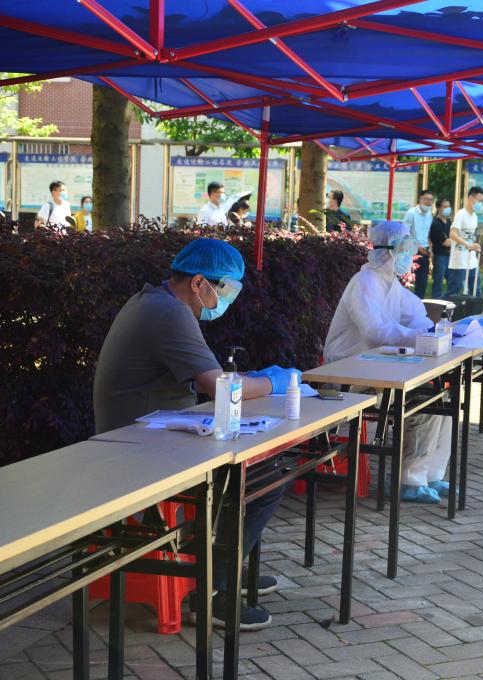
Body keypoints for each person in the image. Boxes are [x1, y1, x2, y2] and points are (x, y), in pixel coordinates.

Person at [93, 238, 300, 630]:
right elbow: (218, 387)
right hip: (138, 446)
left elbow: (213, 379)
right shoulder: (169, 312)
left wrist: (256, 381)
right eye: (226, 290)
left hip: (149, 433)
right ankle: (213, 590)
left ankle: (223, 570)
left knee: (255, 471)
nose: (226, 300)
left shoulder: (153, 301)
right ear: (199, 282)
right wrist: (274, 383)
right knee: (262, 480)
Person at [323, 221, 452, 504]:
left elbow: (416, 314)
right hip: (348, 374)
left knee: (443, 400)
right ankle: (409, 481)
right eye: (404, 248)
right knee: (427, 405)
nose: (408, 255)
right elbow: (375, 332)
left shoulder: (391, 284)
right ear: (388, 250)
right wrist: (419, 336)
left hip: (376, 370)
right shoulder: (364, 283)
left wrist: (432, 331)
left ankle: (431, 475)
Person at [447, 187, 483, 295]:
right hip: (459, 262)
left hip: (471, 261)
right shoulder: (461, 214)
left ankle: (475, 306)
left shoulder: (474, 217)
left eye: (482, 202)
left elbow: (471, 237)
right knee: (454, 291)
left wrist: (474, 245)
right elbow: (452, 234)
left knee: (476, 290)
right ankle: (439, 305)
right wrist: (468, 245)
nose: (481, 204)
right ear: (471, 198)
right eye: (479, 201)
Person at [403, 190, 435, 298]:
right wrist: (416, 245)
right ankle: (406, 303)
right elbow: (405, 232)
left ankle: (419, 304)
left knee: (422, 282)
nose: (428, 202)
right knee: (409, 280)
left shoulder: (430, 215)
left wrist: (430, 249)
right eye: (426, 199)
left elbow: (429, 234)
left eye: (431, 200)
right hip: (412, 251)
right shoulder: (411, 213)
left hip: (425, 252)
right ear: (420, 199)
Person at [429, 198, 454, 299]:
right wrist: (456, 239)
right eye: (445, 207)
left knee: (452, 281)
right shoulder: (435, 223)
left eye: (448, 207)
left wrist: (454, 239)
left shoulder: (449, 222)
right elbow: (446, 243)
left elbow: (453, 238)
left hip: (450, 256)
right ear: (439, 208)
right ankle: (435, 302)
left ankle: (449, 301)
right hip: (440, 257)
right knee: (438, 282)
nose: (447, 209)